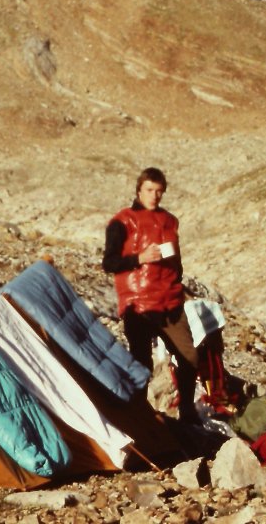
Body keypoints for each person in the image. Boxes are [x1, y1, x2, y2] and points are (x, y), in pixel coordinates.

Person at [103, 166, 201, 424]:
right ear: (138, 190)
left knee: (189, 355)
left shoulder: (170, 221)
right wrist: (140, 258)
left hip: (170, 300)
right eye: (149, 190)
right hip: (138, 304)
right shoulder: (122, 221)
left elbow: (176, 261)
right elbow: (109, 262)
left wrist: (176, 280)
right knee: (141, 363)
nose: (154, 196)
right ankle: (141, 415)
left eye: (159, 191)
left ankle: (187, 410)